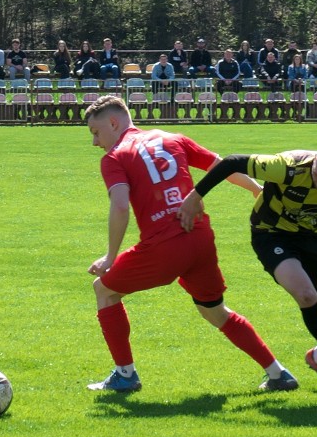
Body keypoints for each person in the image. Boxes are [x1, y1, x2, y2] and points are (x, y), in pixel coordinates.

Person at [85, 95, 298, 392]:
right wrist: (256, 189)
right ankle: (278, 373)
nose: (95, 142)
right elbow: (221, 167)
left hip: (164, 246)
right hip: (199, 239)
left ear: (113, 122)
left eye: (96, 133)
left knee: (104, 290)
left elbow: (120, 206)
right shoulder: (172, 138)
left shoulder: (115, 157)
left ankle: (125, 375)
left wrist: (110, 257)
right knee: (215, 311)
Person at [179, 143, 317, 404]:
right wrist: (195, 196)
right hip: (271, 234)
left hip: (314, 236)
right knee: (306, 295)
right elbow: (231, 162)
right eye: (316, 176)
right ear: (315, 161)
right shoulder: (288, 167)